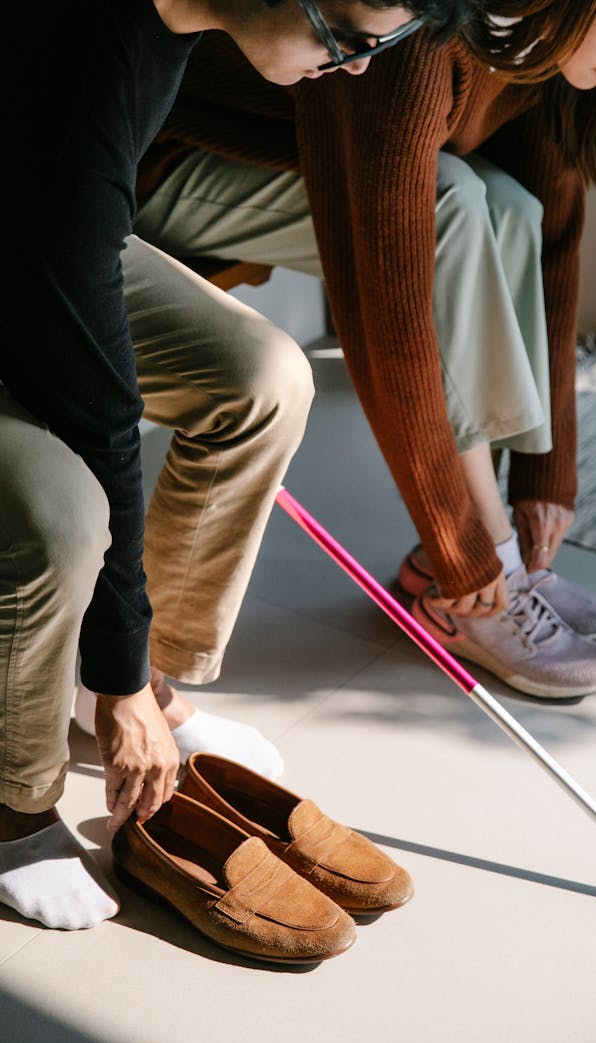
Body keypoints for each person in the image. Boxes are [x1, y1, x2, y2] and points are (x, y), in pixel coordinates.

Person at [0, 0, 477, 932]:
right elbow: (102, 418)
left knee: (264, 377)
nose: (354, 70)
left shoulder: (173, 20)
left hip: (33, 230)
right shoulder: (77, 75)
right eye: (346, 38)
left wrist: (133, 672)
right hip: (36, 227)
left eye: (378, 48)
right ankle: (13, 801)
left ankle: (149, 693)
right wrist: (115, 670)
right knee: (64, 517)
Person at [133, 0, 596, 698]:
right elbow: (387, 309)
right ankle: (476, 582)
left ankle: (479, 567)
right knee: (454, 204)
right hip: (163, 166)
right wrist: (461, 546)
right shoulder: (416, 38)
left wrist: (545, 476)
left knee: (508, 207)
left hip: (300, 163)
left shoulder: (532, 50)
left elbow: (549, 231)